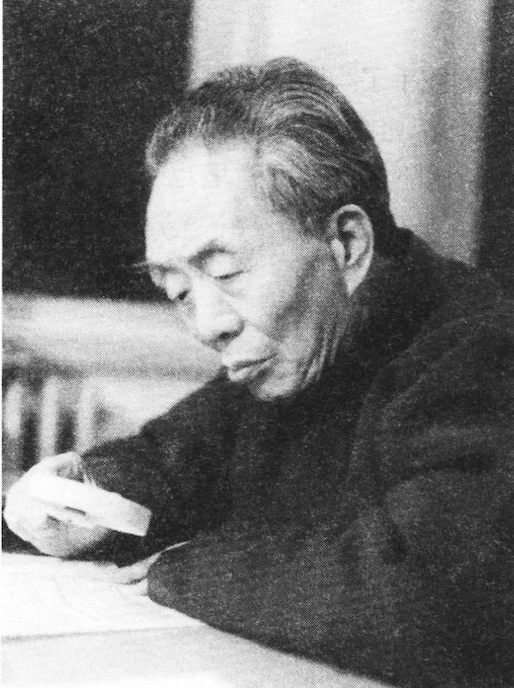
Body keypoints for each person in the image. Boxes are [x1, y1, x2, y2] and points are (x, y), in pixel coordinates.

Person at [5, 58, 514, 688]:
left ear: (347, 245)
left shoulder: (482, 353)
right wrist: (80, 502)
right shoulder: (293, 352)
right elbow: (171, 461)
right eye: (177, 290)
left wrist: (187, 570)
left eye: (225, 273)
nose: (206, 325)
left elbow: (429, 592)